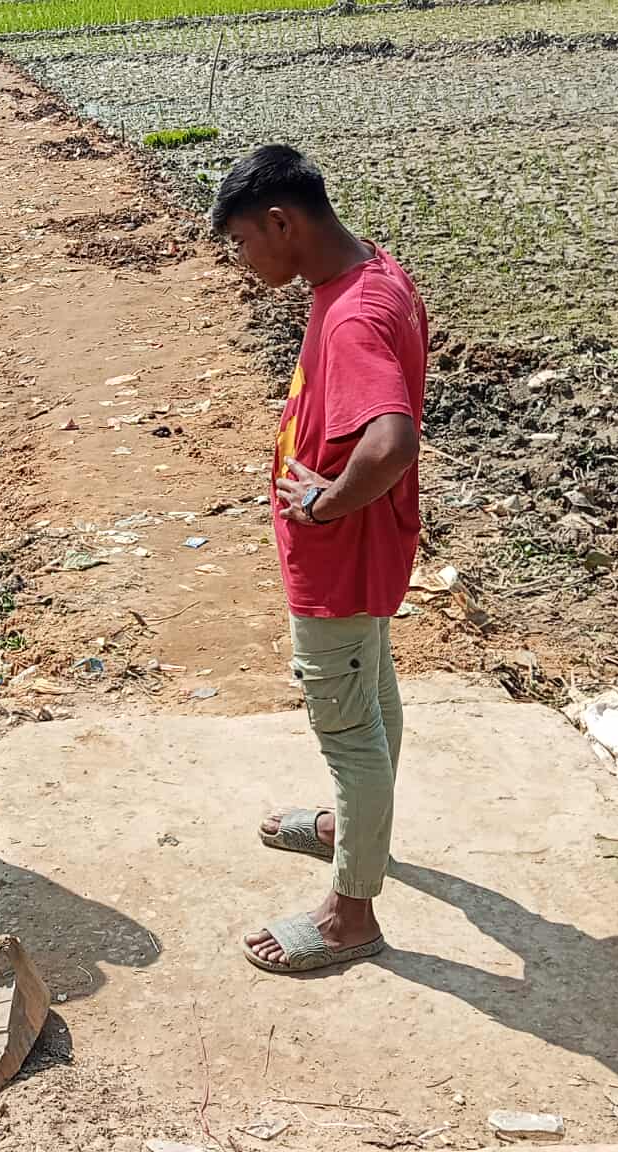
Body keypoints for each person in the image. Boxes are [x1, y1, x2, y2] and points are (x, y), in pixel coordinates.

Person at [207, 145, 427, 974]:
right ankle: (351, 830)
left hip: (337, 558)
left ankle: (350, 914)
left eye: (241, 243)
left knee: (346, 729)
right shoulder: (374, 278)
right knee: (373, 692)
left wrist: (327, 503)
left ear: (279, 223)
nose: (242, 261)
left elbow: (393, 437)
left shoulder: (353, 316)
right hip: (369, 547)